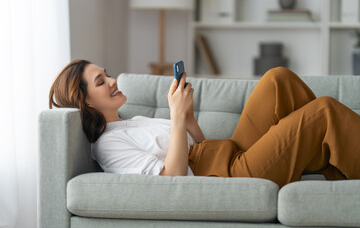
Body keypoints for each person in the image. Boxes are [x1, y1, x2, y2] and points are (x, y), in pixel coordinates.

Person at [49, 59, 360, 188]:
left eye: (107, 74)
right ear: (86, 101)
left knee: (279, 79)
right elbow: (173, 177)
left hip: (224, 152)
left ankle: (330, 160)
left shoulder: (133, 122)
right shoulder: (107, 145)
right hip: (225, 174)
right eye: (102, 82)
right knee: (324, 111)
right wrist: (175, 118)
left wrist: (189, 119)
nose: (113, 81)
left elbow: (195, 145)